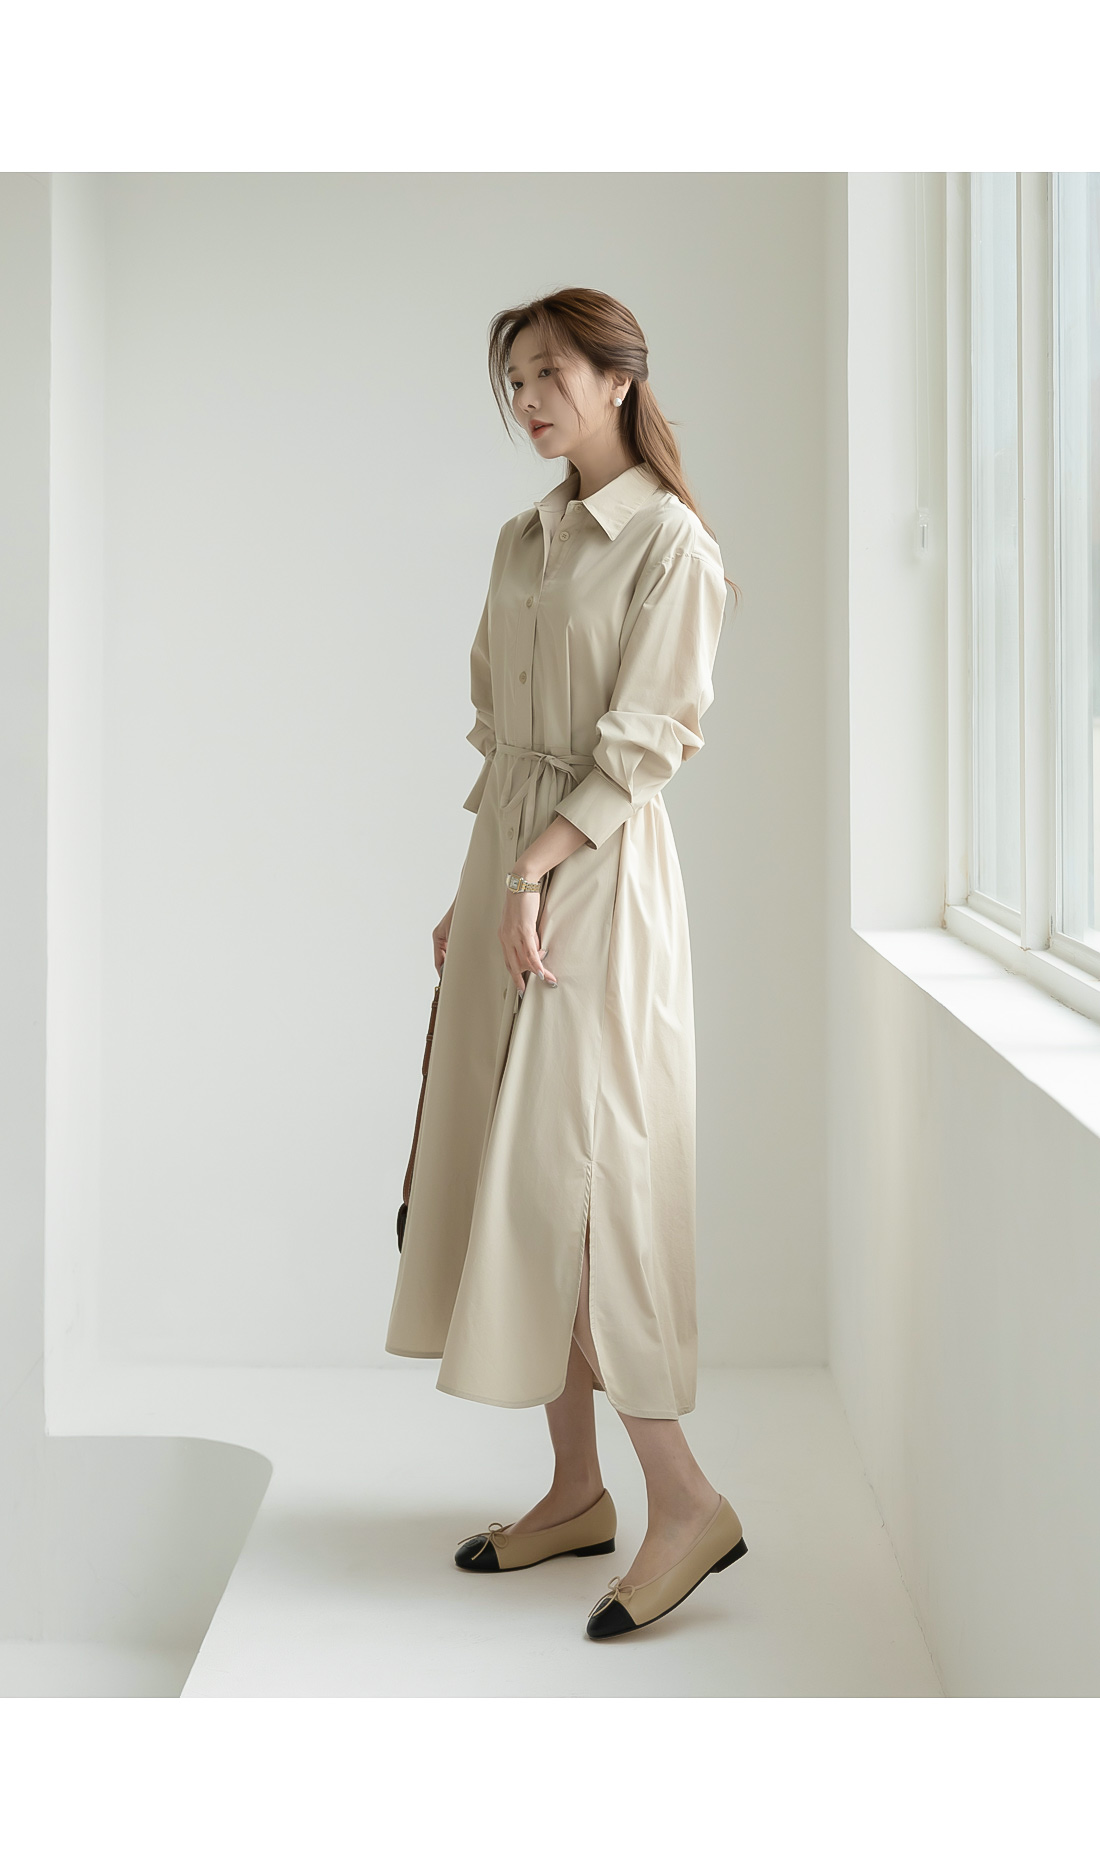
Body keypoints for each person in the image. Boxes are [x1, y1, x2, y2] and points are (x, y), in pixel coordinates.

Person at [385, 287, 747, 1638]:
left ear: (618, 379)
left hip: (598, 878)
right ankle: (575, 1490)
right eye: (516, 382)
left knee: (582, 1185)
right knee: (510, 1171)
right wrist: (476, 886)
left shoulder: (672, 543)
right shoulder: (522, 537)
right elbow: (504, 736)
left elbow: (649, 741)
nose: (529, 400)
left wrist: (533, 870)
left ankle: (686, 1501)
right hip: (516, 874)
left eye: (549, 374)